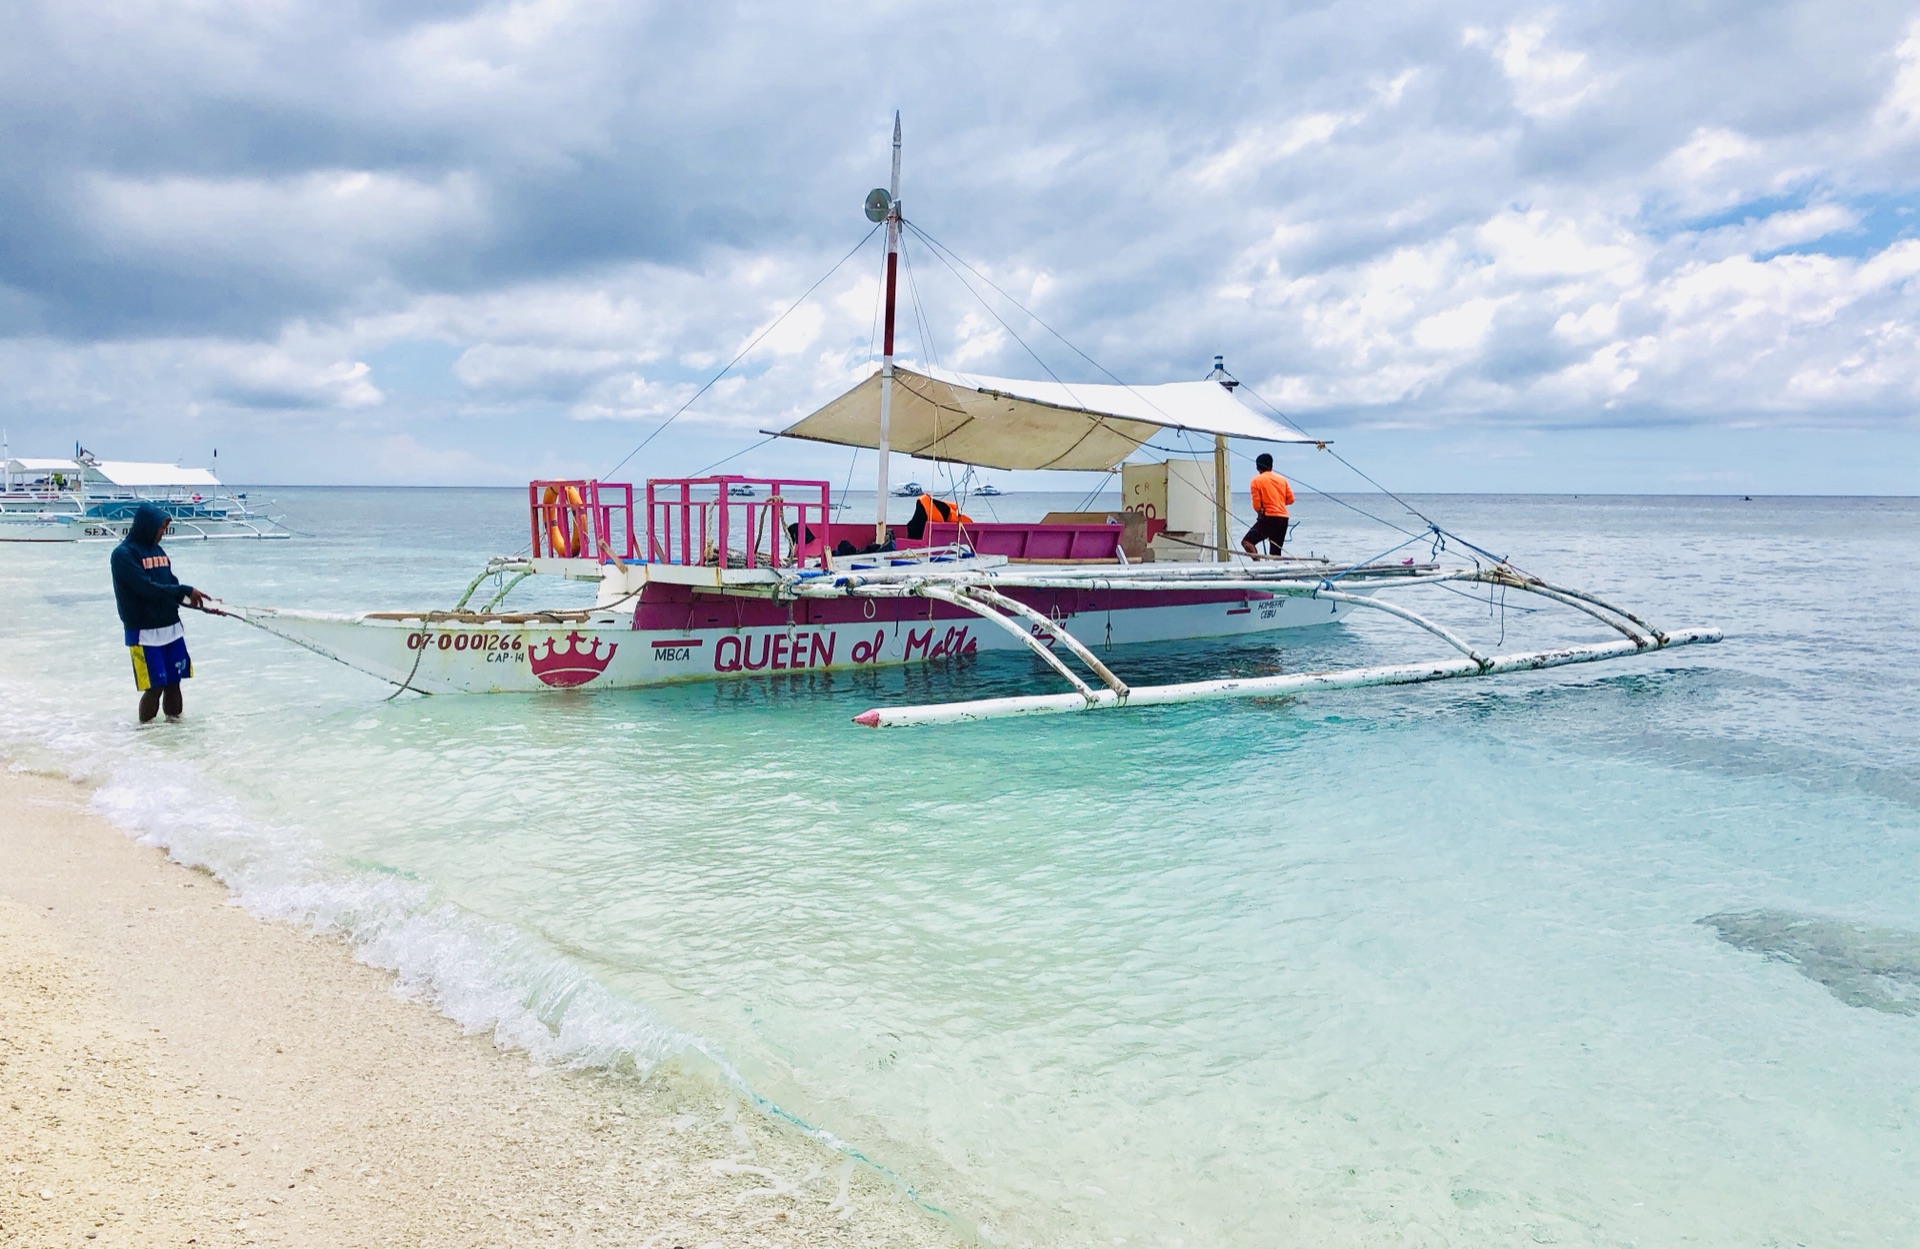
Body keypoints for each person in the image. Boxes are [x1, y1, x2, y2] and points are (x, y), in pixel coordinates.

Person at [111, 503, 208, 722]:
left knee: (174, 682)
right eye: (160, 529)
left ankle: (176, 733)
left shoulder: (158, 552)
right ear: (147, 526)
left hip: (171, 628)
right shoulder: (123, 555)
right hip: (144, 632)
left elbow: (170, 584)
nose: (163, 534)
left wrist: (197, 603)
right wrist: (184, 590)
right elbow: (146, 588)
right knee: (155, 686)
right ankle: (146, 738)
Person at [1240, 452, 1295, 560]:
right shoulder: (1282, 480)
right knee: (1275, 551)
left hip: (1270, 517)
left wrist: (1261, 511)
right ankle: (1276, 576)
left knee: (1247, 542)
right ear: (1271, 466)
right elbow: (1291, 499)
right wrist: (1278, 503)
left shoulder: (1256, 481)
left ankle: (1258, 566)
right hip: (1283, 518)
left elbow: (1256, 505)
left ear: (1257, 467)